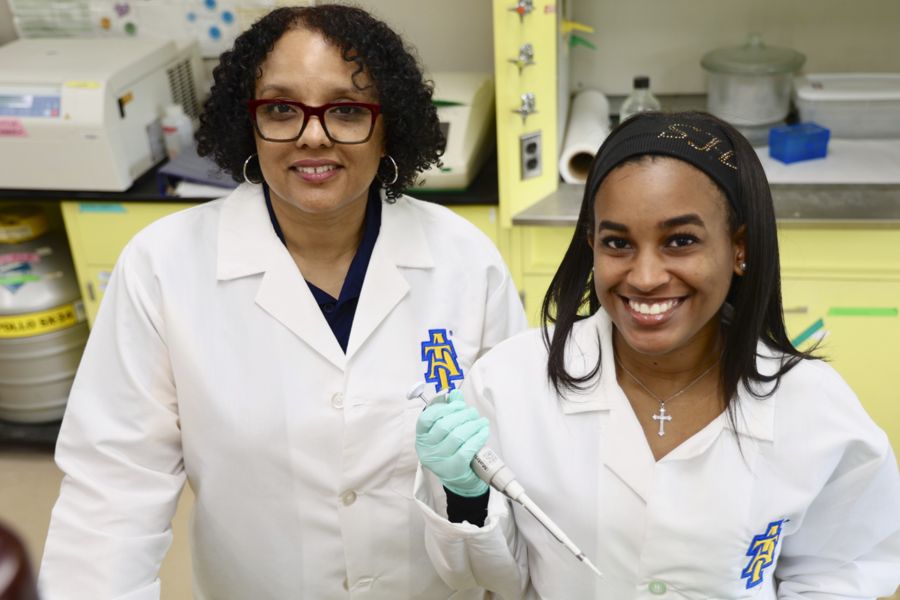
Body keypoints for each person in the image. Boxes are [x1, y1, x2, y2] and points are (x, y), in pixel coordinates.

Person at [39, 5, 526, 599]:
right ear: (248, 125)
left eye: (347, 110)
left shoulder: (464, 261)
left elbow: (515, 476)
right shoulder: (163, 266)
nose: (312, 133)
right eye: (280, 108)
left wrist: (469, 499)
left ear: (388, 126)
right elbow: (111, 493)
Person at [413, 111, 900, 598]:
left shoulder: (815, 407)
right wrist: (465, 497)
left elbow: (840, 571)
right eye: (618, 243)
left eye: (681, 241)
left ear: (739, 248)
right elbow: (496, 579)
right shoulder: (509, 384)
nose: (645, 277)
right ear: (592, 245)